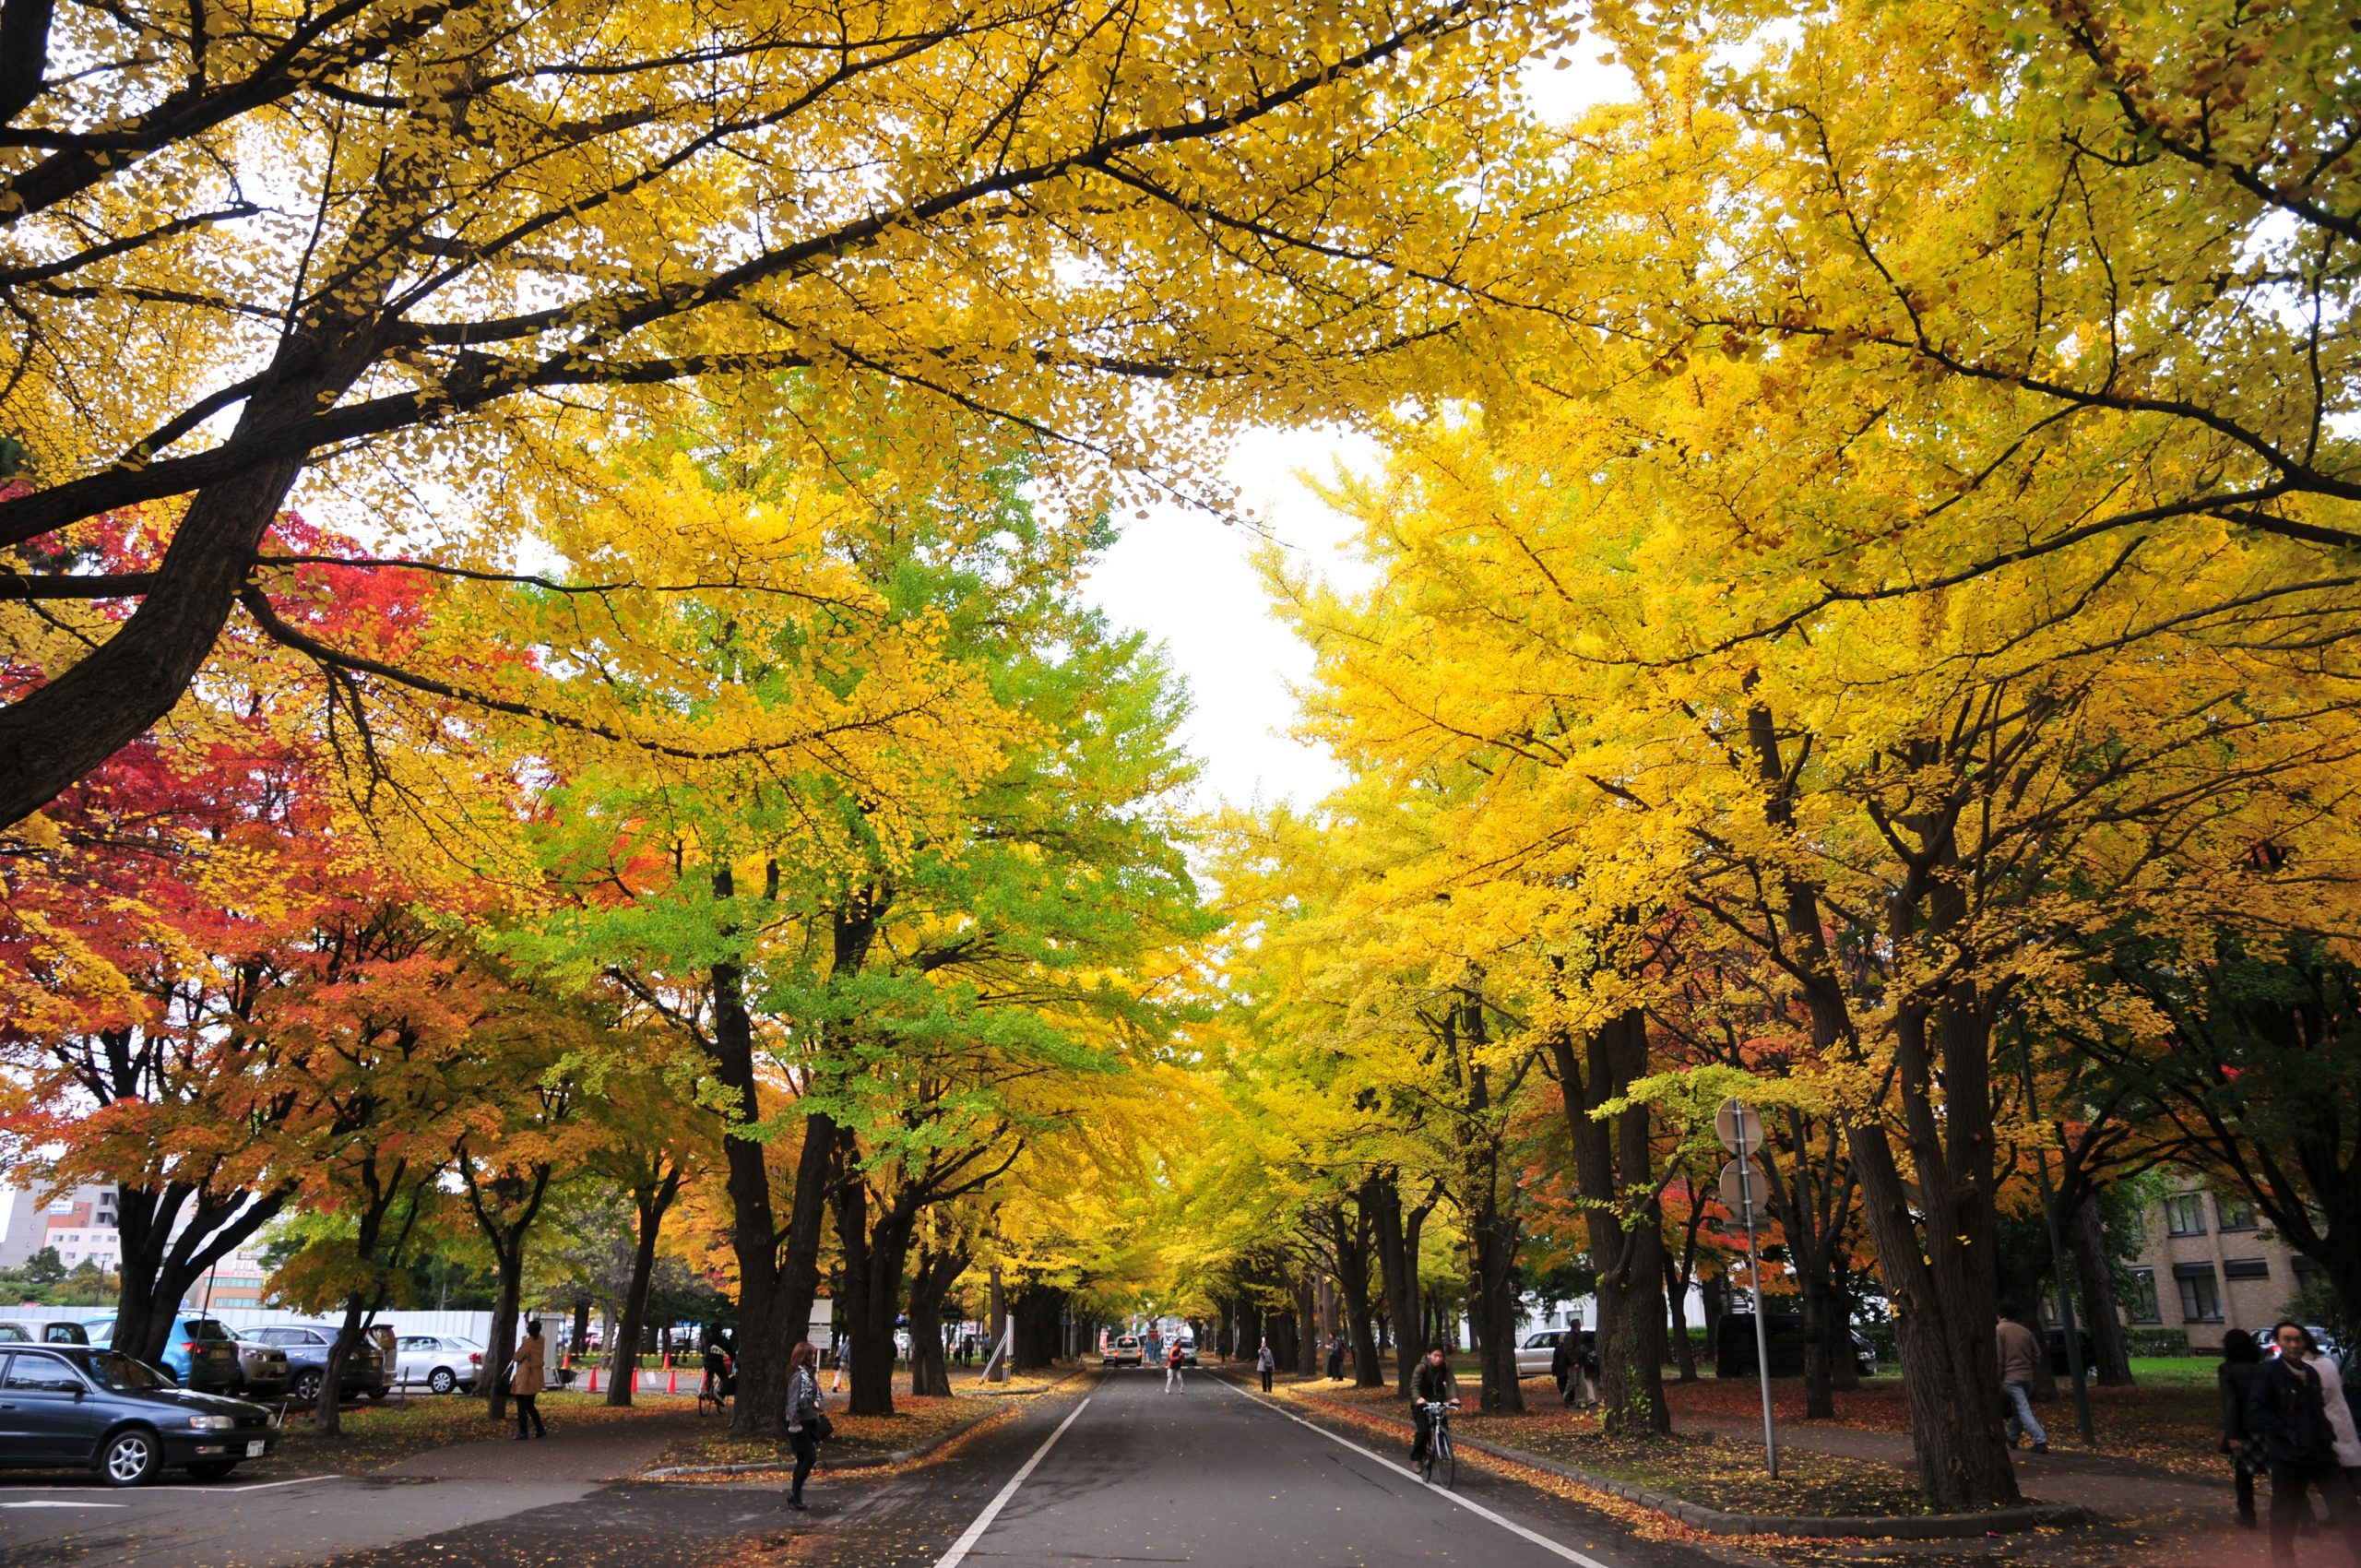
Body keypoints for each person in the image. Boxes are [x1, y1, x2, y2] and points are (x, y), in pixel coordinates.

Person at [2248, 1321, 2361, 1566]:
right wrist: (2285, 1432)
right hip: (2289, 1455)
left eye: (2297, 1340)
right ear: (2279, 1342)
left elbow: (2318, 1409)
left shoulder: (2310, 1373)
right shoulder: (2268, 1373)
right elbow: (2257, 1409)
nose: (2293, 1344)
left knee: (2347, 1507)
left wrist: (2327, 1434)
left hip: (2321, 1452)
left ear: (2304, 1343)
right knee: (2284, 1514)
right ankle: (2284, 1561)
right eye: (2287, 1339)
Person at [2220, 1327, 2264, 1528]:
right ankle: (2305, 1518)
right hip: (2267, 1427)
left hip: (2244, 1429)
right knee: (2281, 1473)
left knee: (2243, 1473)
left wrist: (2233, 1434)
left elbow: (2231, 1403)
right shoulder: (2262, 1368)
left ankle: (2248, 1516)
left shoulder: (2228, 1370)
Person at [1995, 1305, 2047, 1455]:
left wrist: (1998, 1377)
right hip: (2027, 1377)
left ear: (1999, 1316)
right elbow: (2037, 1354)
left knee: (2023, 1409)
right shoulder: (2025, 1331)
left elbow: (1999, 1357)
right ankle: (2012, 1438)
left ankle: (2040, 1439)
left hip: (2010, 1377)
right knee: (2020, 1408)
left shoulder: (1999, 1330)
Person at [786, 1340, 823, 1512]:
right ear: (804, 1357)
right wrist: (794, 1424)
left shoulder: (808, 1376)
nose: (813, 1358)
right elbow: (793, 1402)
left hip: (807, 1420)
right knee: (810, 1457)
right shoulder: (799, 1377)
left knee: (803, 1459)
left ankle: (795, 1494)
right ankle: (794, 1493)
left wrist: (817, 1403)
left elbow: (817, 1395)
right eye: (811, 1355)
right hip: (797, 1423)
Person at [1409, 1342, 1456, 1466]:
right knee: (1424, 1430)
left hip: (1437, 1399)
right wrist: (1418, 1398)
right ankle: (1417, 1457)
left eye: (1440, 1356)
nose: (1438, 1359)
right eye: (1435, 1356)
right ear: (1428, 1355)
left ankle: (1441, 1450)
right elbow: (1414, 1386)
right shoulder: (1421, 1367)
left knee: (1443, 1425)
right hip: (1421, 1402)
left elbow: (1451, 1383)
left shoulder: (1445, 1366)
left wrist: (1454, 1398)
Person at [509, 1320, 547, 1440]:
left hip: (525, 1377)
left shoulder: (527, 1343)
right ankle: (540, 1429)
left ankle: (523, 1432)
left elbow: (517, 1356)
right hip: (535, 1376)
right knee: (530, 1405)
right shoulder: (541, 1341)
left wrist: (523, 1342)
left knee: (521, 1406)